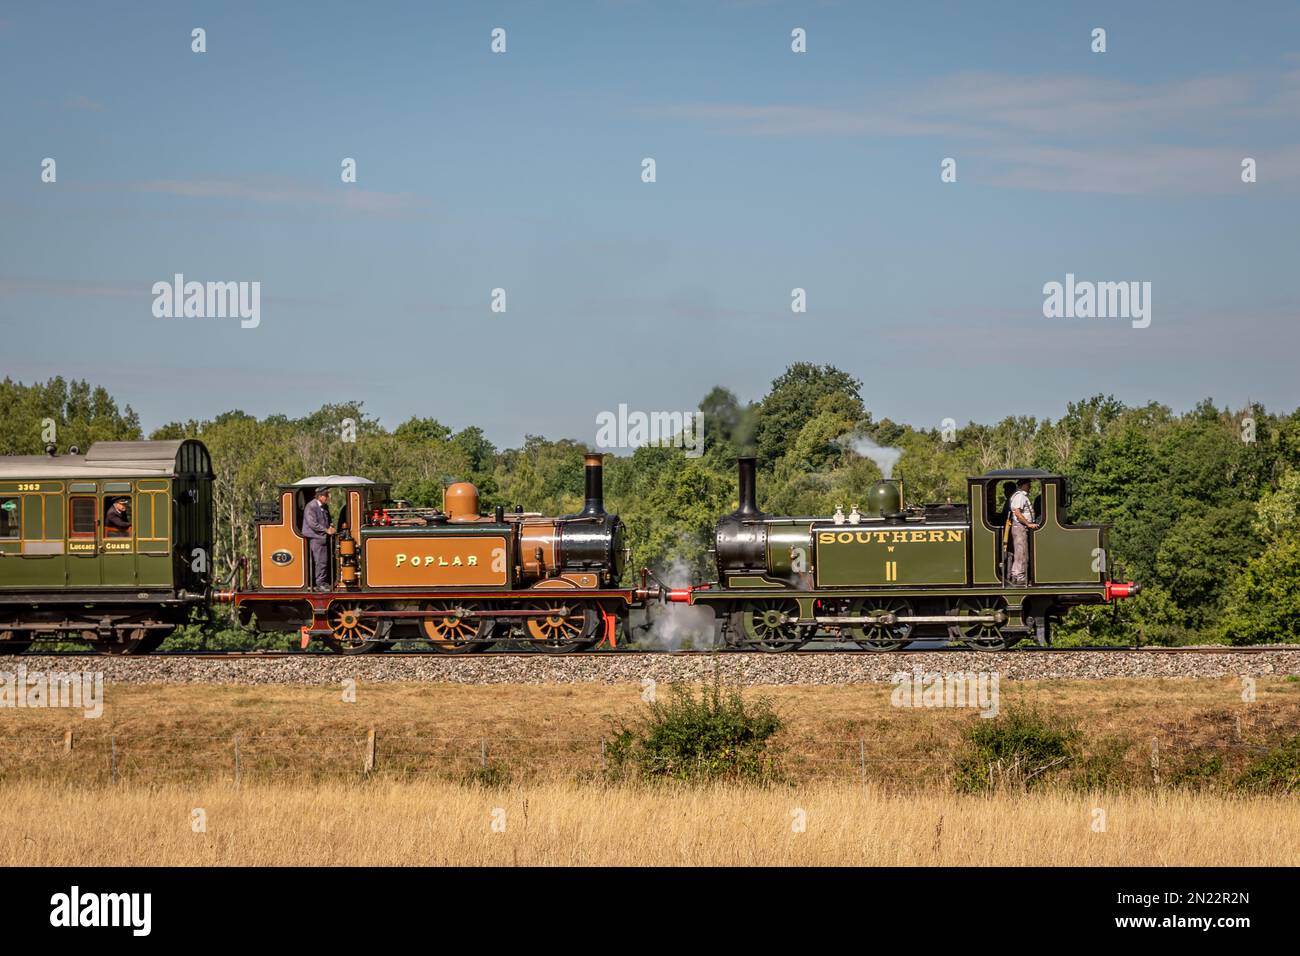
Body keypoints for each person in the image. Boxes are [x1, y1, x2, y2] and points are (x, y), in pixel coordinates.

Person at [302, 487, 336, 590]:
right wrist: (326, 530)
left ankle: (323, 582)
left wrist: (331, 527)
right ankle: (320, 583)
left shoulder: (324, 507)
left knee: (324, 561)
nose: (328, 498)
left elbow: (327, 520)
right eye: (326, 495)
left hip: (323, 537)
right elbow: (313, 524)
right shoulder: (311, 506)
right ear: (320, 496)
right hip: (316, 538)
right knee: (321, 561)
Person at [1008, 478, 1039, 586]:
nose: (1030, 487)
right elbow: (1017, 513)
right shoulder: (1020, 496)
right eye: (1028, 484)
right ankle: (1018, 576)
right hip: (1020, 526)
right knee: (1021, 552)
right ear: (1023, 485)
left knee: (1022, 551)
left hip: (1021, 526)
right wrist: (1028, 524)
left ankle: (1019, 575)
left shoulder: (1022, 496)